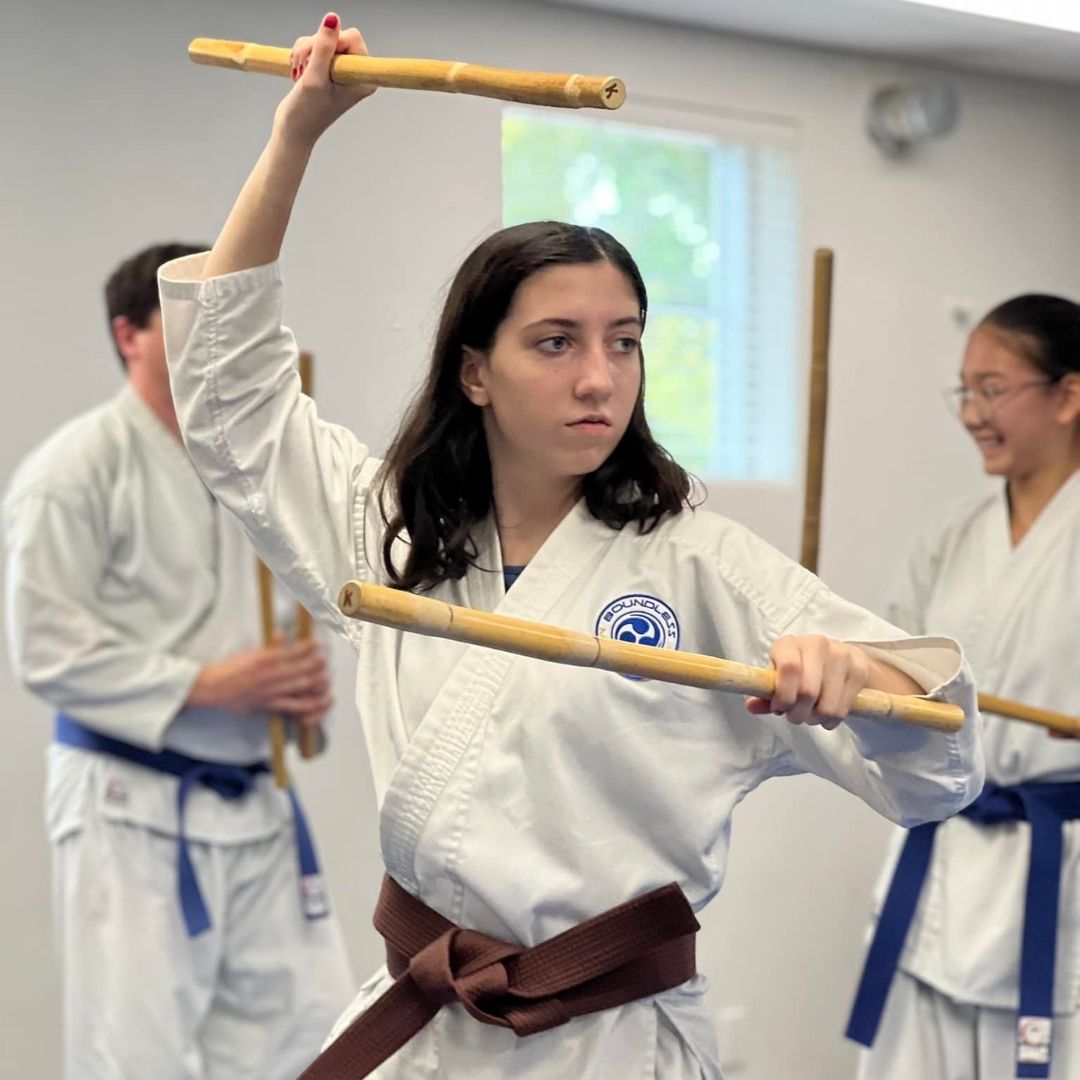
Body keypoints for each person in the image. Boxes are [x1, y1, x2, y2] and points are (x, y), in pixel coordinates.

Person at [158, 15, 984, 1078]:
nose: (601, 378)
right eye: (557, 343)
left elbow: (933, 770)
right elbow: (231, 402)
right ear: (475, 371)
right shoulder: (394, 535)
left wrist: (859, 674)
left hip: (609, 1045)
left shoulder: (701, 566)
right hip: (429, 1029)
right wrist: (299, 134)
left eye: (625, 342)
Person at [2, 242, 355, 1080]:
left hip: (255, 794)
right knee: (134, 1055)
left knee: (311, 1041)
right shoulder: (73, 470)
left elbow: (303, 602)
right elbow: (43, 647)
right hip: (130, 802)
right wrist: (207, 684)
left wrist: (300, 688)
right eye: (181, 320)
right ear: (130, 333)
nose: (207, 338)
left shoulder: (252, 465)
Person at [846, 295, 1080, 1080]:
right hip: (942, 855)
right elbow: (899, 675)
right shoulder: (951, 537)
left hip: (1058, 866)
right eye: (964, 392)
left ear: (1069, 394)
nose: (972, 413)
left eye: (993, 388)